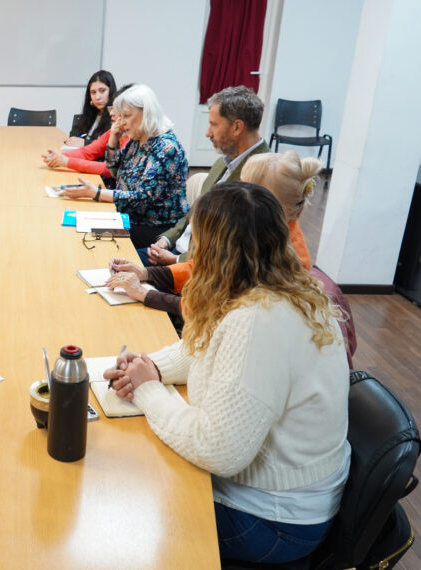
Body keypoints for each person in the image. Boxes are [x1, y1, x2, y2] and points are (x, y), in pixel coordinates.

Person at [104, 182, 349, 564]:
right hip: (289, 499)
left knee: (125, 502)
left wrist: (149, 391)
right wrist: (151, 366)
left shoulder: (258, 321)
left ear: (214, 250)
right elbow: (210, 345)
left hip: (275, 521)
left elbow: (217, 450)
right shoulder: (283, 289)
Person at [108, 152, 320, 320]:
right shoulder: (255, 229)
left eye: (242, 188)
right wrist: (145, 273)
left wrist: (145, 294)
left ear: (265, 202)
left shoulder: (282, 258)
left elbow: (214, 310)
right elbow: (201, 265)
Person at [145, 85, 268, 265]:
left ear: (237, 127)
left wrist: (177, 260)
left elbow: (231, 248)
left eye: (213, 124)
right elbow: (195, 210)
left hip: (200, 270)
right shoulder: (223, 161)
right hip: (176, 252)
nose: (207, 133)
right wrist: (167, 239)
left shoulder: (264, 173)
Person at [59, 84, 188, 246]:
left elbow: (141, 199)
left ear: (146, 113)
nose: (121, 122)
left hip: (154, 228)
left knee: (89, 236)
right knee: (80, 228)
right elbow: (115, 171)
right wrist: (113, 138)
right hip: (128, 218)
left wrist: (96, 193)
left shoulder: (166, 148)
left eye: (126, 116)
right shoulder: (138, 138)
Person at [41, 83, 132, 182]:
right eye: (112, 108)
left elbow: (108, 169)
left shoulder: (133, 138)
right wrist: (58, 158)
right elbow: (88, 152)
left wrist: (67, 161)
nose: (111, 113)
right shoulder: (115, 130)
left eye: (116, 109)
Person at [65, 70, 116, 147]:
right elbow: (74, 135)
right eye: (93, 92)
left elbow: (110, 147)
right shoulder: (92, 113)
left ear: (111, 91)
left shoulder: (115, 117)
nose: (97, 97)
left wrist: (85, 143)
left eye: (102, 91)